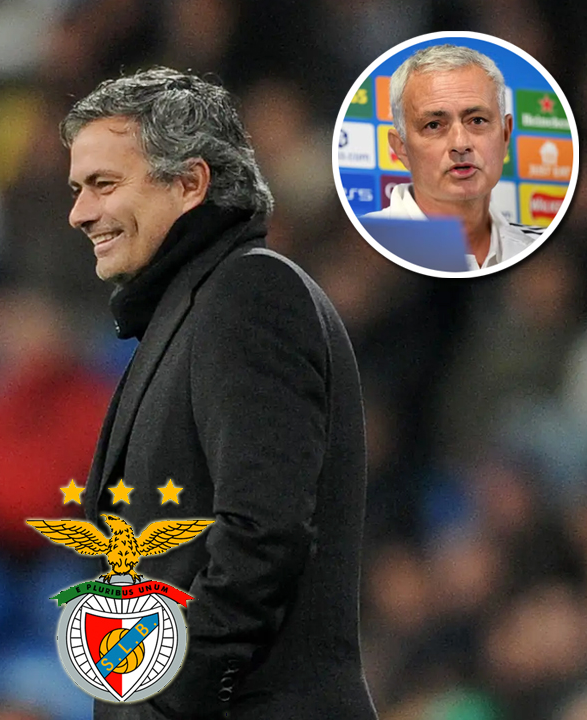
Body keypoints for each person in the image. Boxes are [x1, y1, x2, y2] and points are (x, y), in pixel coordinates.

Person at [65, 68, 376, 719]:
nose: (80, 213)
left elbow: (262, 535)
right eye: (78, 189)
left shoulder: (249, 293)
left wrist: (170, 696)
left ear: (190, 183)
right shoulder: (188, 311)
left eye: (104, 184)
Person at [362, 44, 542, 271]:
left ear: (505, 135)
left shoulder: (547, 253)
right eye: (434, 125)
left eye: (477, 120)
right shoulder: (359, 253)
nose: (460, 144)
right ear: (402, 148)